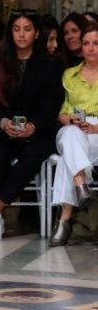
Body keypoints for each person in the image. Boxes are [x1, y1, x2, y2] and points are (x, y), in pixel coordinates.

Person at [0, 10, 64, 242]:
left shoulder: (51, 64)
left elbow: (53, 103)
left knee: (32, 154)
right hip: (5, 129)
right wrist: (2, 122)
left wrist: (34, 126)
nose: (21, 34)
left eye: (27, 29)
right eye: (16, 29)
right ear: (10, 32)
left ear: (36, 33)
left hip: (39, 131)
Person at [49, 22, 98, 246]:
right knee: (69, 135)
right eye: (86, 43)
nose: (91, 48)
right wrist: (70, 120)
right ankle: (81, 185)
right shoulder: (69, 74)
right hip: (73, 128)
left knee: (67, 162)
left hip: (97, 131)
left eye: (96, 43)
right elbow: (61, 112)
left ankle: (65, 219)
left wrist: (96, 127)